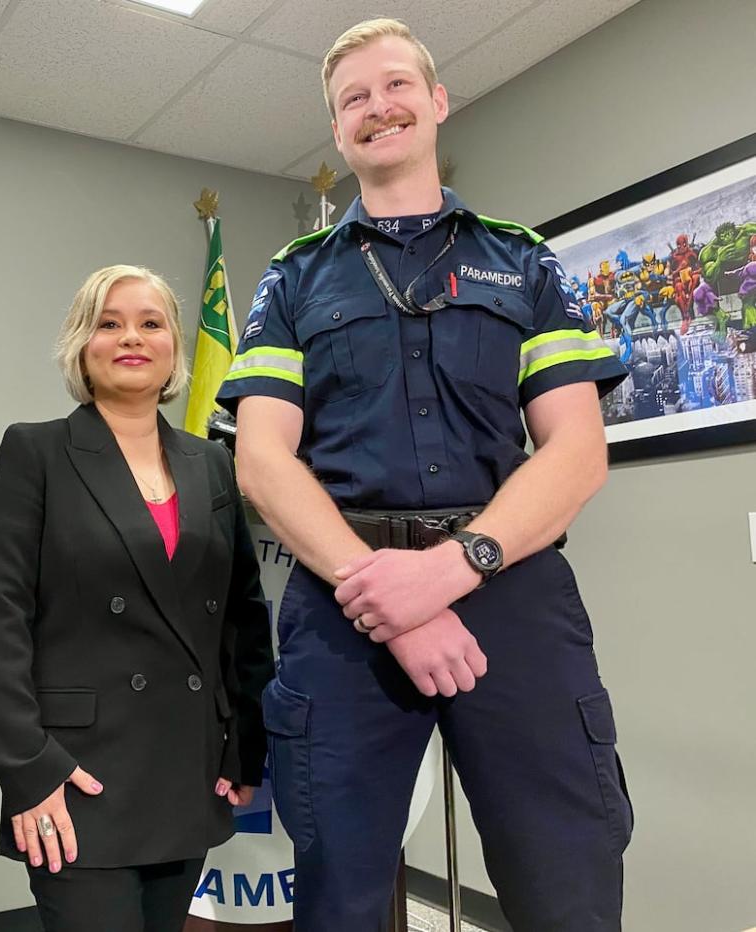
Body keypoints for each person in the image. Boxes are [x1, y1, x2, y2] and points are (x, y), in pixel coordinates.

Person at [216, 19, 634, 932]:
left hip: (511, 587)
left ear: (438, 102)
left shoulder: (525, 261)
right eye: (353, 99)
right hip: (342, 599)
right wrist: (384, 595)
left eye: (396, 85)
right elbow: (261, 459)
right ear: (337, 131)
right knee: (340, 895)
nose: (379, 108)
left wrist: (449, 571)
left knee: (568, 878)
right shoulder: (292, 279)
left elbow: (576, 449)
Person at [0, 265, 274, 932]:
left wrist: (245, 744)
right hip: (77, 776)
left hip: (186, 769)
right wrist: (27, 768)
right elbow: (0, 623)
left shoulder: (213, 464)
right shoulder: (36, 451)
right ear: (82, 345)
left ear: (173, 349)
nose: (130, 337)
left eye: (150, 323)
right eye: (109, 323)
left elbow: (242, 618)